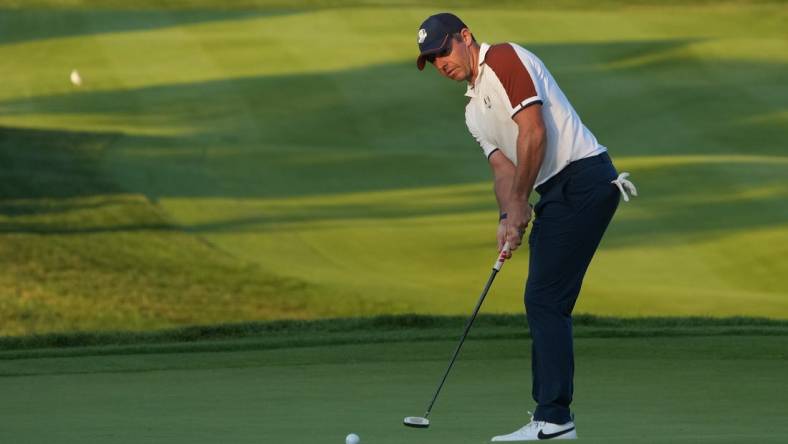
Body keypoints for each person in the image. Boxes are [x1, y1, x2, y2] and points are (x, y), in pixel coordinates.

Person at [415, 13, 637, 441]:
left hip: (584, 179)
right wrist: (507, 217)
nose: (441, 61)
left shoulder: (504, 58)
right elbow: (503, 169)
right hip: (557, 194)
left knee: (544, 298)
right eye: (431, 58)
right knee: (545, 299)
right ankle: (551, 415)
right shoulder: (471, 113)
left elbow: (533, 135)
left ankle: (554, 419)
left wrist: (520, 202)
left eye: (443, 50)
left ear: (465, 37)